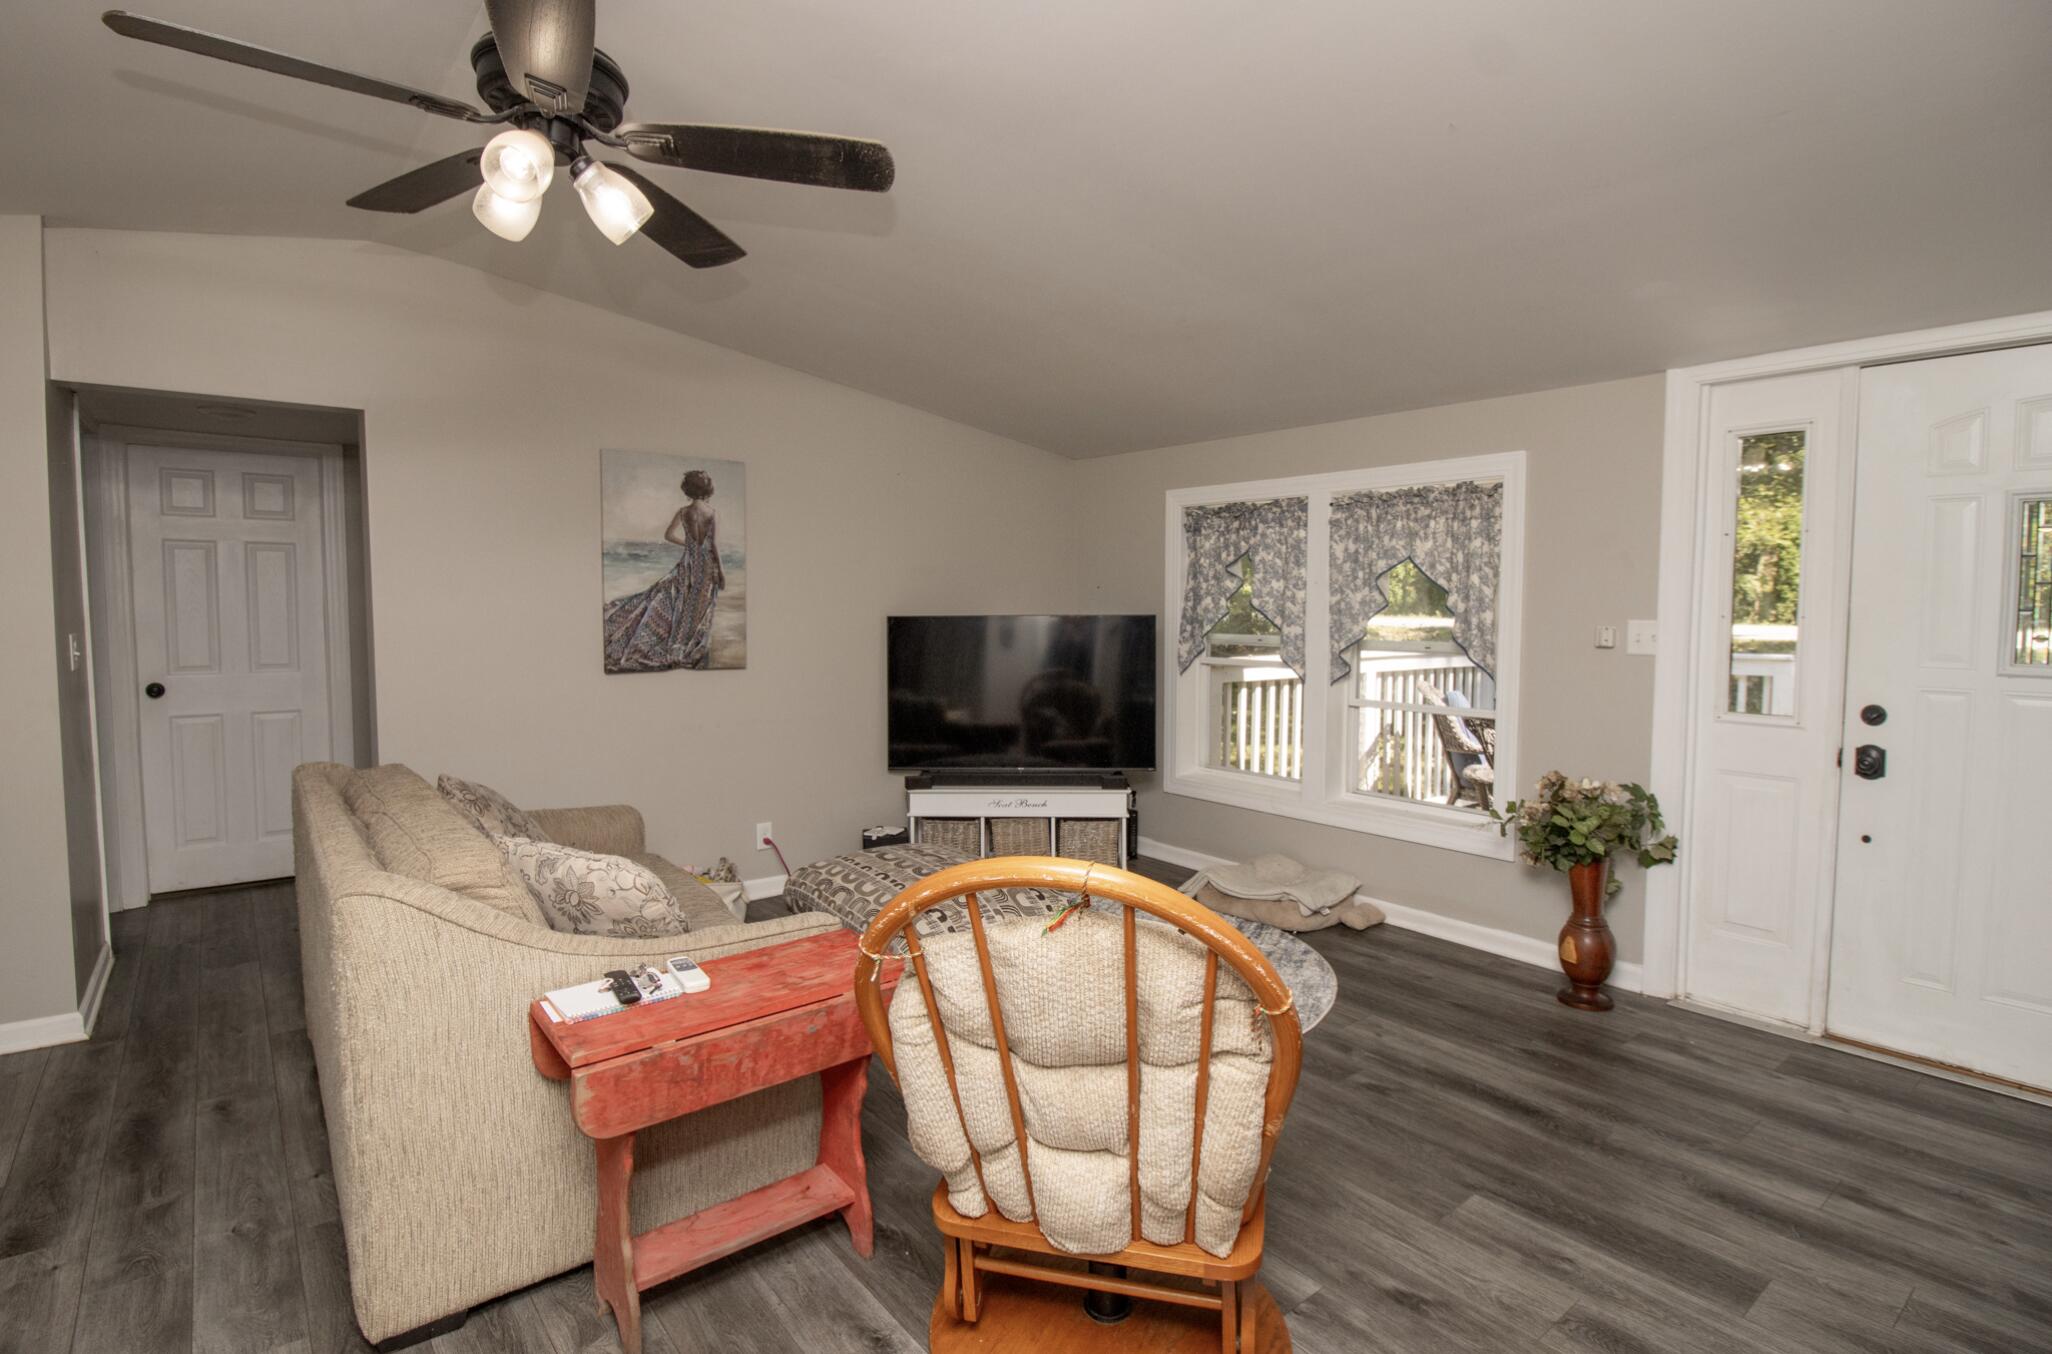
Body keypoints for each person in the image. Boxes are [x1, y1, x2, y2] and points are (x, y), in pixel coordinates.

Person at [604, 469, 726, 671]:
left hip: (688, 563)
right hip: (706, 567)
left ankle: (677, 645)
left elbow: (668, 535)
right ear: (707, 489)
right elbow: (714, 546)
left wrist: (687, 545)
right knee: (699, 607)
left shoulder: (684, 512)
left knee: (681, 603)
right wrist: (720, 572)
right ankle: (690, 646)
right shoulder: (712, 513)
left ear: (688, 489)